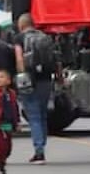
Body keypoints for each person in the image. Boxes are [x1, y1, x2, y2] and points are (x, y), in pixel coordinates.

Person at [14, 13, 54, 164]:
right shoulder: (45, 37)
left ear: (22, 25)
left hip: (30, 80)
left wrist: (21, 75)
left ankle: (39, 152)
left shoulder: (20, 38)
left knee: (34, 116)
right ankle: (42, 145)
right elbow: (54, 58)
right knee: (42, 114)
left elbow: (19, 57)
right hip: (46, 80)